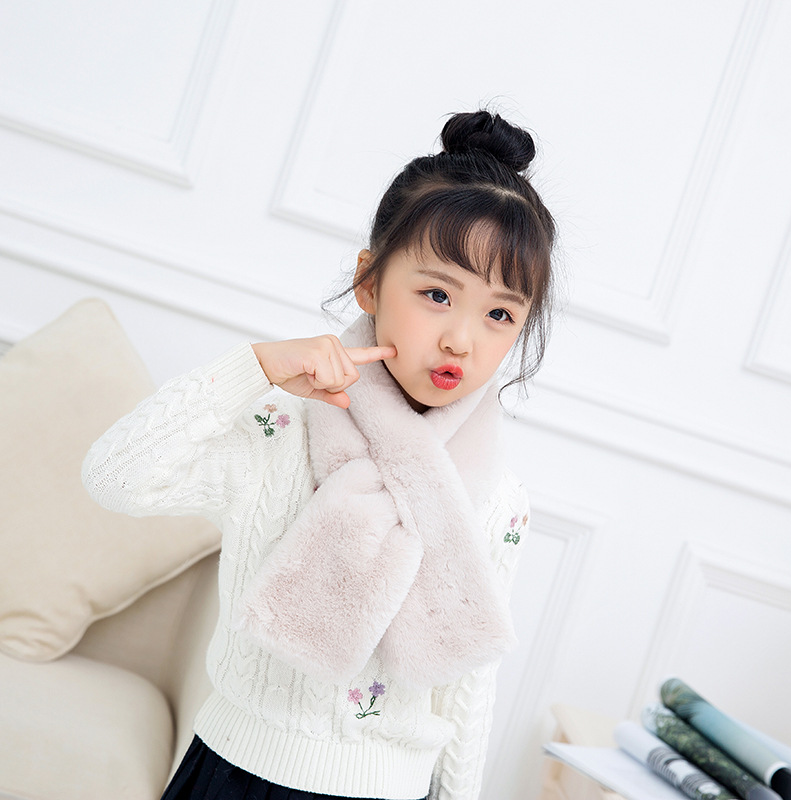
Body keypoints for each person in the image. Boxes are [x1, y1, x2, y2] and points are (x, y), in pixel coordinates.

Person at [82, 109, 556, 800]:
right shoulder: (281, 429)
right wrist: (254, 368)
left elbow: (467, 686)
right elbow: (115, 477)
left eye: (500, 315)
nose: (462, 339)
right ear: (369, 283)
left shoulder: (497, 498)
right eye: (436, 294)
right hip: (234, 776)